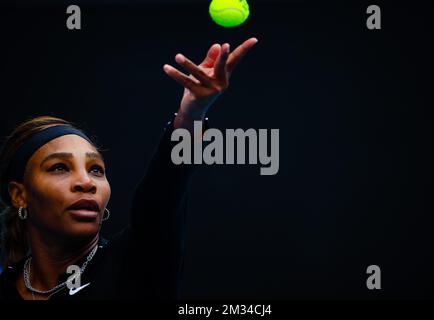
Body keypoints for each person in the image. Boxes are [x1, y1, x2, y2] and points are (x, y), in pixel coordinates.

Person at [0, 38, 258, 300]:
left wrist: (192, 113)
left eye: (96, 170)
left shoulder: (135, 263)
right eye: (59, 167)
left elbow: (163, 191)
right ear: (19, 195)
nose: (86, 182)